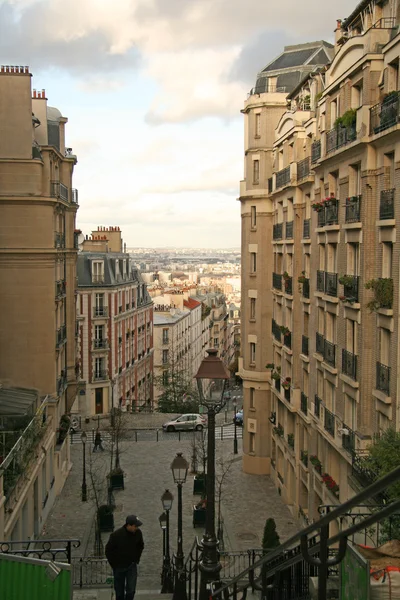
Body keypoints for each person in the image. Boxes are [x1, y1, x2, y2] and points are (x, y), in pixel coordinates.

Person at [105, 515, 144, 600]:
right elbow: (108, 551)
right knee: (119, 593)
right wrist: (114, 565)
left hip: (131, 566)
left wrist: (136, 559)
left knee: (131, 591)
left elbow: (140, 546)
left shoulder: (138, 533)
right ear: (129, 525)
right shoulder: (116, 535)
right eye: (135, 526)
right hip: (119, 568)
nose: (136, 528)